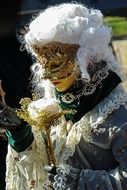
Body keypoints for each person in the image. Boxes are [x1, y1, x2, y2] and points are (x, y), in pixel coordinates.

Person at [0, 2, 127, 190]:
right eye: (42, 64)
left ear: (85, 58)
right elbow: (39, 169)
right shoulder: (51, 105)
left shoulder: (115, 115)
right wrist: (19, 134)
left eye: (56, 64)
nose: (45, 75)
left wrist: (77, 181)